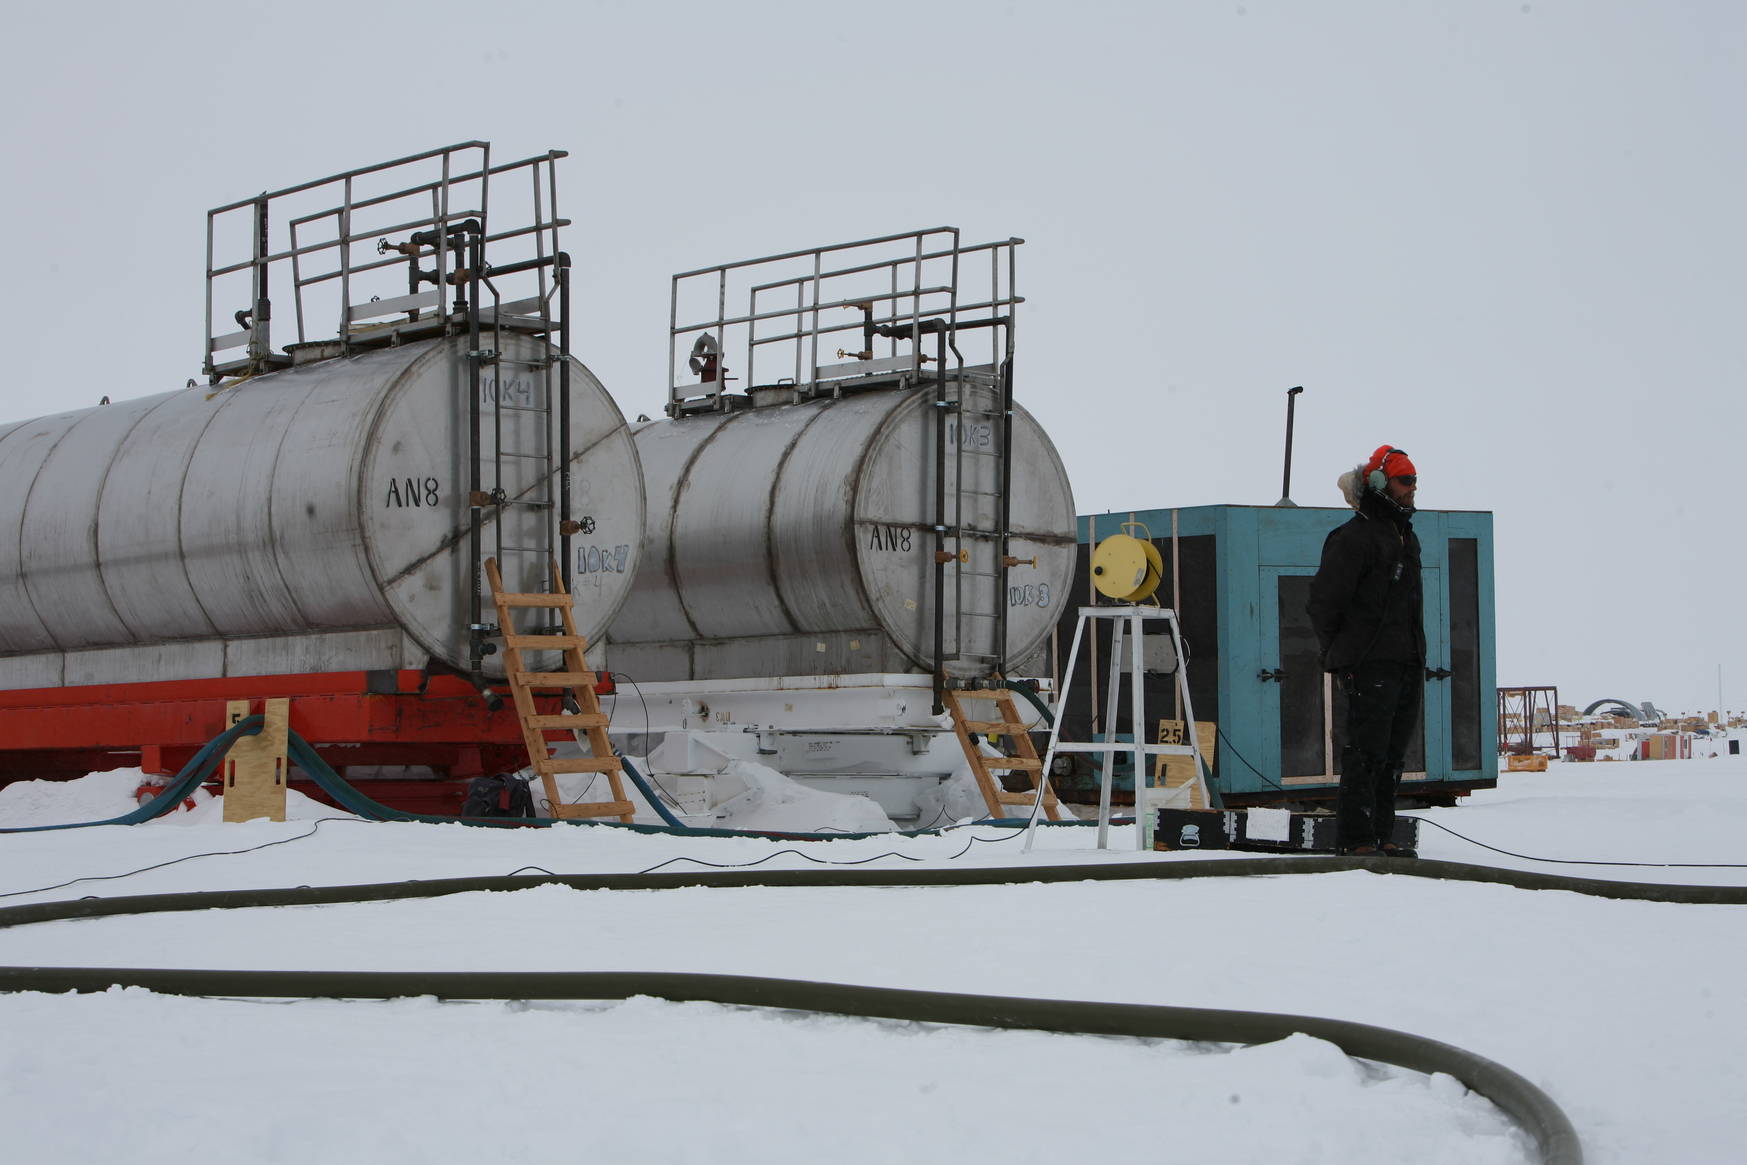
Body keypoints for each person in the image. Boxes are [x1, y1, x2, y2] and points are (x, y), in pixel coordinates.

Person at [1307, 445, 1425, 857]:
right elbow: (1323, 602)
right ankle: (1356, 839)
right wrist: (1344, 653)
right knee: (1366, 752)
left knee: (1393, 755)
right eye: (1405, 480)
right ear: (1379, 483)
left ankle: (1383, 836)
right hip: (1370, 663)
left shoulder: (1405, 537)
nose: (1413, 487)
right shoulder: (1352, 538)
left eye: (1413, 480)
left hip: (1406, 662)